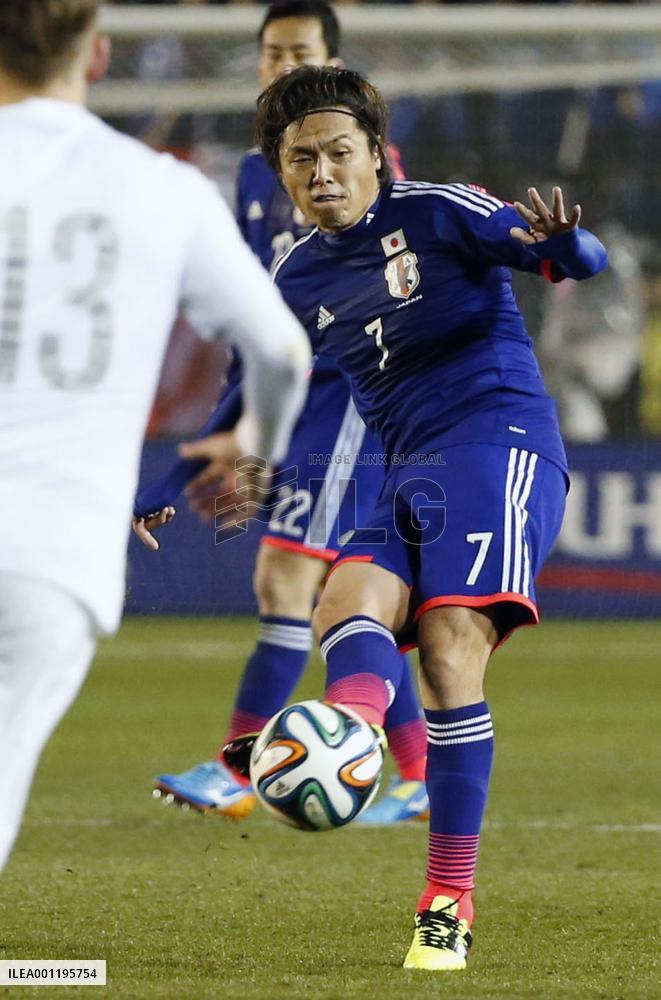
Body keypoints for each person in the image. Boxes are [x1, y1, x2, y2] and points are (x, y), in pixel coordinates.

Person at [238, 65, 607, 971]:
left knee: (447, 646)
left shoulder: (439, 210)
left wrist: (573, 245)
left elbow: (562, 259)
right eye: (299, 159)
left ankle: (447, 897)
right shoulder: (294, 272)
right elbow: (250, 383)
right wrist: (182, 477)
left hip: (500, 442)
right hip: (406, 464)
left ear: (374, 154)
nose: (321, 171)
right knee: (342, 603)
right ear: (281, 174)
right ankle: (354, 726)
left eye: (337, 152)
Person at [0, 0, 310, 874]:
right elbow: (282, 346)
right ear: (98, 57)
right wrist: (260, 441)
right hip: (52, 556)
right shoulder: (158, 187)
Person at [136, 0, 428, 826]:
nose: (283, 66)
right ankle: (416, 770)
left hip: (342, 398)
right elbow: (255, 307)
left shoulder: (366, 164)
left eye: (299, 52)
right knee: (332, 588)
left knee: (290, 578)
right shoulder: (261, 172)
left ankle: (236, 767)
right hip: (286, 397)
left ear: (333, 63)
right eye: (271, 53)